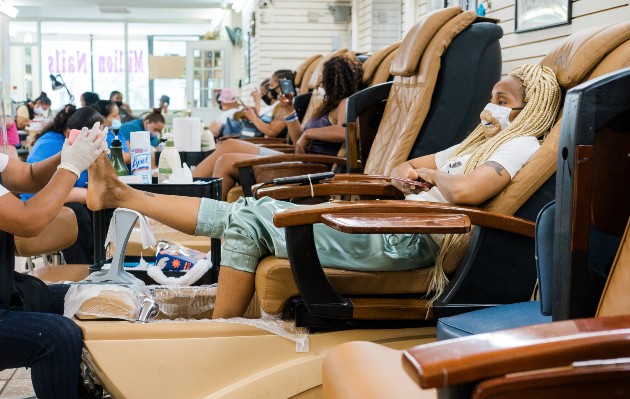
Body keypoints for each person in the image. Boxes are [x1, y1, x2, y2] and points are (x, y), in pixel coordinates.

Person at [87, 64, 561, 319]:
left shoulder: (521, 143)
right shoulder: (477, 141)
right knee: (255, 215)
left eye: (503, 101)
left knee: (257, 215)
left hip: (411, 238)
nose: (490, 106)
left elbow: (471, 191)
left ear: (530, 111)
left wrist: (434, 180)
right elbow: (412, 163)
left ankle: (125, 198)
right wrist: (404, 175)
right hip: (392, 222)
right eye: (492, 96)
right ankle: (223, 330)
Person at [0, 123, 108, 399]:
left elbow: (30, 174)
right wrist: (72, 167)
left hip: (5, 287)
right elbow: (29, 221)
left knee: (91, 297)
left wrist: (69, 154)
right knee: (57, 336)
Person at [192, 58, 363, 199]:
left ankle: (204, 212)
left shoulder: (345, 103)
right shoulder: (327, 106)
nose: (319, 82)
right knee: (229, 144)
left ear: (334, 80)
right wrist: (289, 110)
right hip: (300, 159)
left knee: (226, 161)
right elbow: (298, 140)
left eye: (324, 78)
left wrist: (309, 133)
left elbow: (345, 133)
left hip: (311, 168)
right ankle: (188, 187)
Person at [21, 105, 104, 264]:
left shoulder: (83, 146)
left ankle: (101, 259)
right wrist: (89, 194)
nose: (98, 139)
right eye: (93, 134)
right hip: (38, 203)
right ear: (70, 133)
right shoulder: (51, 145)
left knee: (104, 210)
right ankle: (83, 267)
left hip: (67, 197)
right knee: (78, 212)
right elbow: (45, 191)